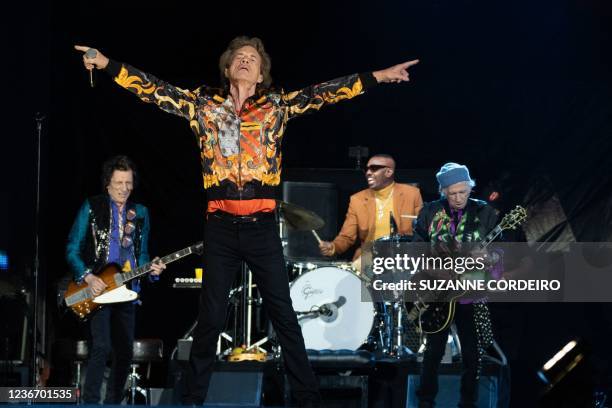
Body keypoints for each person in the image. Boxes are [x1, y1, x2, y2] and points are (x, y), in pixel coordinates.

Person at [74, 36, 419, 406]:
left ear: (260, 74)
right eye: (238, 57)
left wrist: (378, 76)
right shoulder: (202, 104)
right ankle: (192, 399)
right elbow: (154, 90)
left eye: (252, 58)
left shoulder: (276, 106)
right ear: (227, 69)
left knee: (284, 315)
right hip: (220, 225)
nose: (244, 61)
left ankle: (307, 398)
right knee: (210, 319)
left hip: (261, 226)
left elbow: (327, 92)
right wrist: (107, 63)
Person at [65, 155, 165, 404]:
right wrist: (87, 276)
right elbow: (71, 248)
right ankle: (90, 402)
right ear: (107, 183)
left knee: (125, 352)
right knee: (101, 347)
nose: (124, 188)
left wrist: (152, 271)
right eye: (119, 182)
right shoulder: (91, 206)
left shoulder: (140, 212)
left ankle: (112, 403)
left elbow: (141, 254)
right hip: (98, 287)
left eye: (128, 183)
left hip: (127, 288)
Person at [412, 162, 497, 408]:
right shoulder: (429, 212)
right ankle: (426, 401)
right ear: (443, 192)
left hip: (472, 292)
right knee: (433, 351)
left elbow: (504, 252)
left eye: (463, 192)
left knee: (472, 354)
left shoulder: (485, 213)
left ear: (471, 188)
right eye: (452, 193)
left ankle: (467, 403)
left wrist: (490, 258)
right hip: (437, 292)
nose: (458, 198)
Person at [319, 154, 423, 264]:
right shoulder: (357, 199)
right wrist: (333, 246)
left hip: (404, 256)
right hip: (370, 257)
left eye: (374, 168)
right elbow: (347, 237)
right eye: (367, 169)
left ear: (389, 172)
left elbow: (423, 231)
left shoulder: (412, 194)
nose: (368, 173)